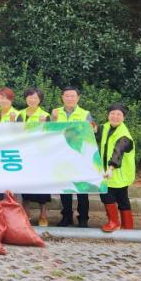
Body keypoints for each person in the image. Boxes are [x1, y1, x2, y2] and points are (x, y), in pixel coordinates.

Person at [51, 86, 96, 227]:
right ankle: (66, 217)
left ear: (78, 98)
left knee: (82, 189)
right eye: (67, 96)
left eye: (72, 96)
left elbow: (94, 130)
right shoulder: (56, 112)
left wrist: (92, 127)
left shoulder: (85, 113)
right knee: (65, 188)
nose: (70, 98)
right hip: (61, 156)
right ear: (62, 97)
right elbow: (49, 131)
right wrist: (53, 119)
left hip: (80, 156)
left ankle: (83, 218)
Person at [97, 103, 135, 232]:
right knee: (122, 199)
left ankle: (114, 222)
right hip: (109, 173)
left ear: (124, 118)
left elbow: (117, 152)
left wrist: (111, 169)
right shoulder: (105, 127)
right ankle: (127, 225)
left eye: (119, 114)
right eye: (112, 113)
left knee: (107, 196)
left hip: (116, 173)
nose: (115, 116)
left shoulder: (124, 135)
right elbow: (96, 132)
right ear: (108, 115)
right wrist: (91, 127)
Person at [17, 87, 51, 226]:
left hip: (40, 154)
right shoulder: (19, 114)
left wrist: (43, 125)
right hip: (24, 153)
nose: (32, 100)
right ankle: (26, 211)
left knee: (42, 184)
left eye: (35, 98)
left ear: (40, 100)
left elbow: (50, 135)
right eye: (30, 97)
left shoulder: (45, 115)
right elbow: (14, 132)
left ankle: (43, 214)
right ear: (26, 98)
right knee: (25, 183)